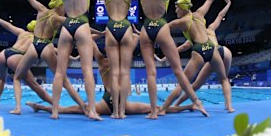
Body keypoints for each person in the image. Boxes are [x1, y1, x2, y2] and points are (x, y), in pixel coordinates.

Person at [27, 31, 193, 116]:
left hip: (107, 102)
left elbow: (88, 40)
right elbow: (135, 39)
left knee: (73, 110)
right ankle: (187, 106)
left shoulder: (100, 60)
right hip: (123, 103)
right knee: (156, 108)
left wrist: (101, 34)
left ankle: (40, 106)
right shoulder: (122, 60)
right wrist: (133, 33)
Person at [137, 0, 207, 119]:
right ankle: (197, 102)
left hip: (146, 28)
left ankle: (153, 112)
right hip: (160, 26)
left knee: (150, 73)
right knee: (177, 70)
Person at [10, 0, 86, 115]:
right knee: (64, 81)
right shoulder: (58, 18)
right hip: (46, 47)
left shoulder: (41, 10)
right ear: (60, 6)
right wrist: (100, 33)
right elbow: (82, 24)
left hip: (34, 46)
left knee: (17, 77)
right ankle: (83, 106)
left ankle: (17, 108)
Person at [158, 0, 235, 115]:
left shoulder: (182, 21)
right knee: (223, 79)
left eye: (177, 7)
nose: (175, 10)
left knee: (183, 83)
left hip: (199, 51)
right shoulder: (199, 14)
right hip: (211, 48)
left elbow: (162, 28)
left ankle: (163, 109)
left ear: (182, 8)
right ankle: (230, 107)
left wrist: (143, 34)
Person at [51, 0, 101, 120]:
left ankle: (55, 112)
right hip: (81, 23)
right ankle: (93, 111)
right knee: (87, 69)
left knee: (59, 72)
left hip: (67, 25)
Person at [0, 6, 53, 110]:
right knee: (35, 86)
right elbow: (53, 50)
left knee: (1, 79)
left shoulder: (22, 32)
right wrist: (72, 57)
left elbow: (8, 25)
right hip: (16, 56)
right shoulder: (38, 39)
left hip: (4, 53)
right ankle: (54, 104)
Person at [100, 0, 134, 118]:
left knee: (113, 73)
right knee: (124, 72)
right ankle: (123, 110)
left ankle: (115, 112)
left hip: (111, 26)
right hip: (126, 26)